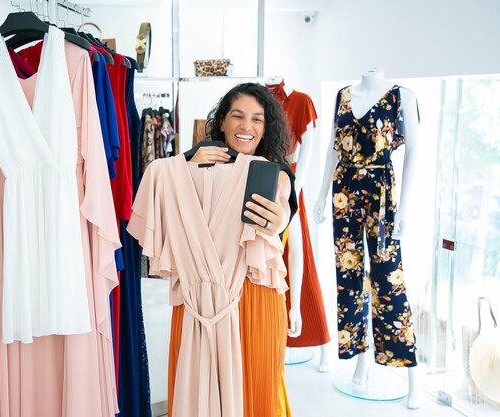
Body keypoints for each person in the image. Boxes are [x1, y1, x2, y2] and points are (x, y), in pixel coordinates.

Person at [167, 82, 301, 417]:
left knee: (254, 389)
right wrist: (185, 162)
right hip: (200, 298)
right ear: (222, 122)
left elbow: (285, 222)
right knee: (196, 391)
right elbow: (157, 200)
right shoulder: (192, 164)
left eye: (257, 119)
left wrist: (276, 222)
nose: (247, 126)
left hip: (255, 300)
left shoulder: (276, 173)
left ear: (266, 127)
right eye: (237, 116)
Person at [314, 67, 421, 409]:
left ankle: (410, 372)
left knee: (388, 280)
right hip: (343, 189)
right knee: (348, 277)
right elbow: (334, 148)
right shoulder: (342, 95)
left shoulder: (401, 95)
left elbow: (414, 151)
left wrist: (404, 208)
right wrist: (320, 194)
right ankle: (360, 356)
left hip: (381, 190)